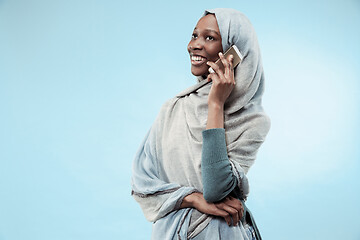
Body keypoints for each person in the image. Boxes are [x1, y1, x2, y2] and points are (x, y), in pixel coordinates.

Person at [131, 8, 270, 240]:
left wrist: (216, 104)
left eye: (210, 38)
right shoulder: (173, 109)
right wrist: (193, 198)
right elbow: (141, 183)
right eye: (194, 35)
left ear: (234, 51)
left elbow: (216, 188)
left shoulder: (253, 122)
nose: (194, 45)